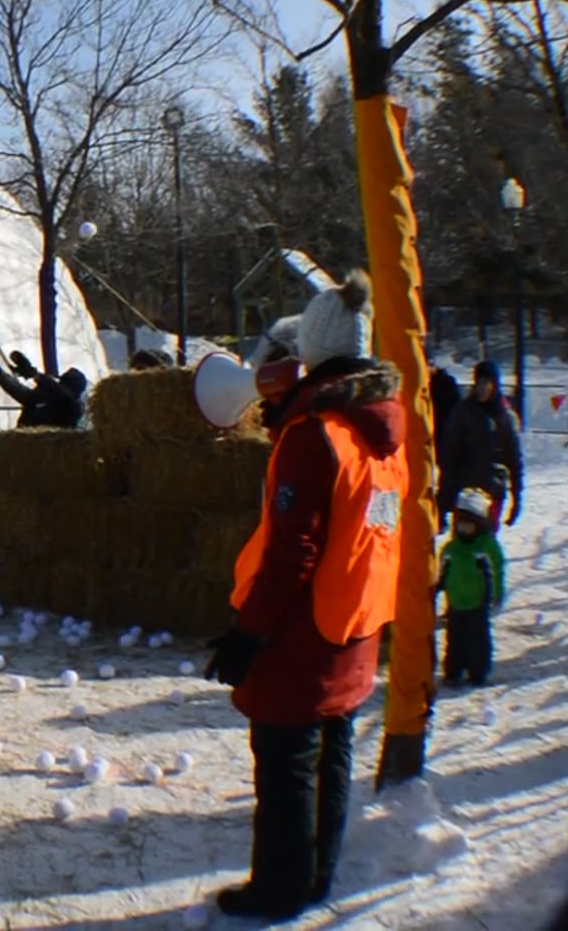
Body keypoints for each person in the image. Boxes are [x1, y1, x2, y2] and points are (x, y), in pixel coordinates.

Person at [203, 270, 406, 920]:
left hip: (303, 632)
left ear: (314, 351)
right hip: (357, 620)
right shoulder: (382, 430)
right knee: (334, 750)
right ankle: (318, 875)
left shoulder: (315, 433)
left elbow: (294, 550)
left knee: (286, 761)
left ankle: (280, 888)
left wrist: (247, 633)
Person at [438, 359, 524, 532]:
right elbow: (449, 456)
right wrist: (445, 497)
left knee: (486, 545)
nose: (483, 388)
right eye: (479, 382)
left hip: (493, 491)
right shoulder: (463, 412)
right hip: (466, 492)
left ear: (495, 385)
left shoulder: (505, 417)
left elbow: (514, 459)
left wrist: (517, 497)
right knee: (464, 546)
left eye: (487, 383)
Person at [438, 489, 508, 688]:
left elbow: (496, 572)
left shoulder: (485, 548)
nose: (464, 529)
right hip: (455, 603)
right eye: (461, 525)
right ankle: (453, 671)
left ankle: (478, 671)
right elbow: (440, 571)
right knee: (454, 640)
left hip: (478, 603)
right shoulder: (451, 549)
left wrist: (496, 595)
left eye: (469, 525)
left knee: (477, 640)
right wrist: (435, 589)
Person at [0, 349, 87, 428]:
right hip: (26, 443)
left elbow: (64, 395)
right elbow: (19, 392)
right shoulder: (49, 393)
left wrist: (35, 375)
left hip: (50, 449)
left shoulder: (73, 408)